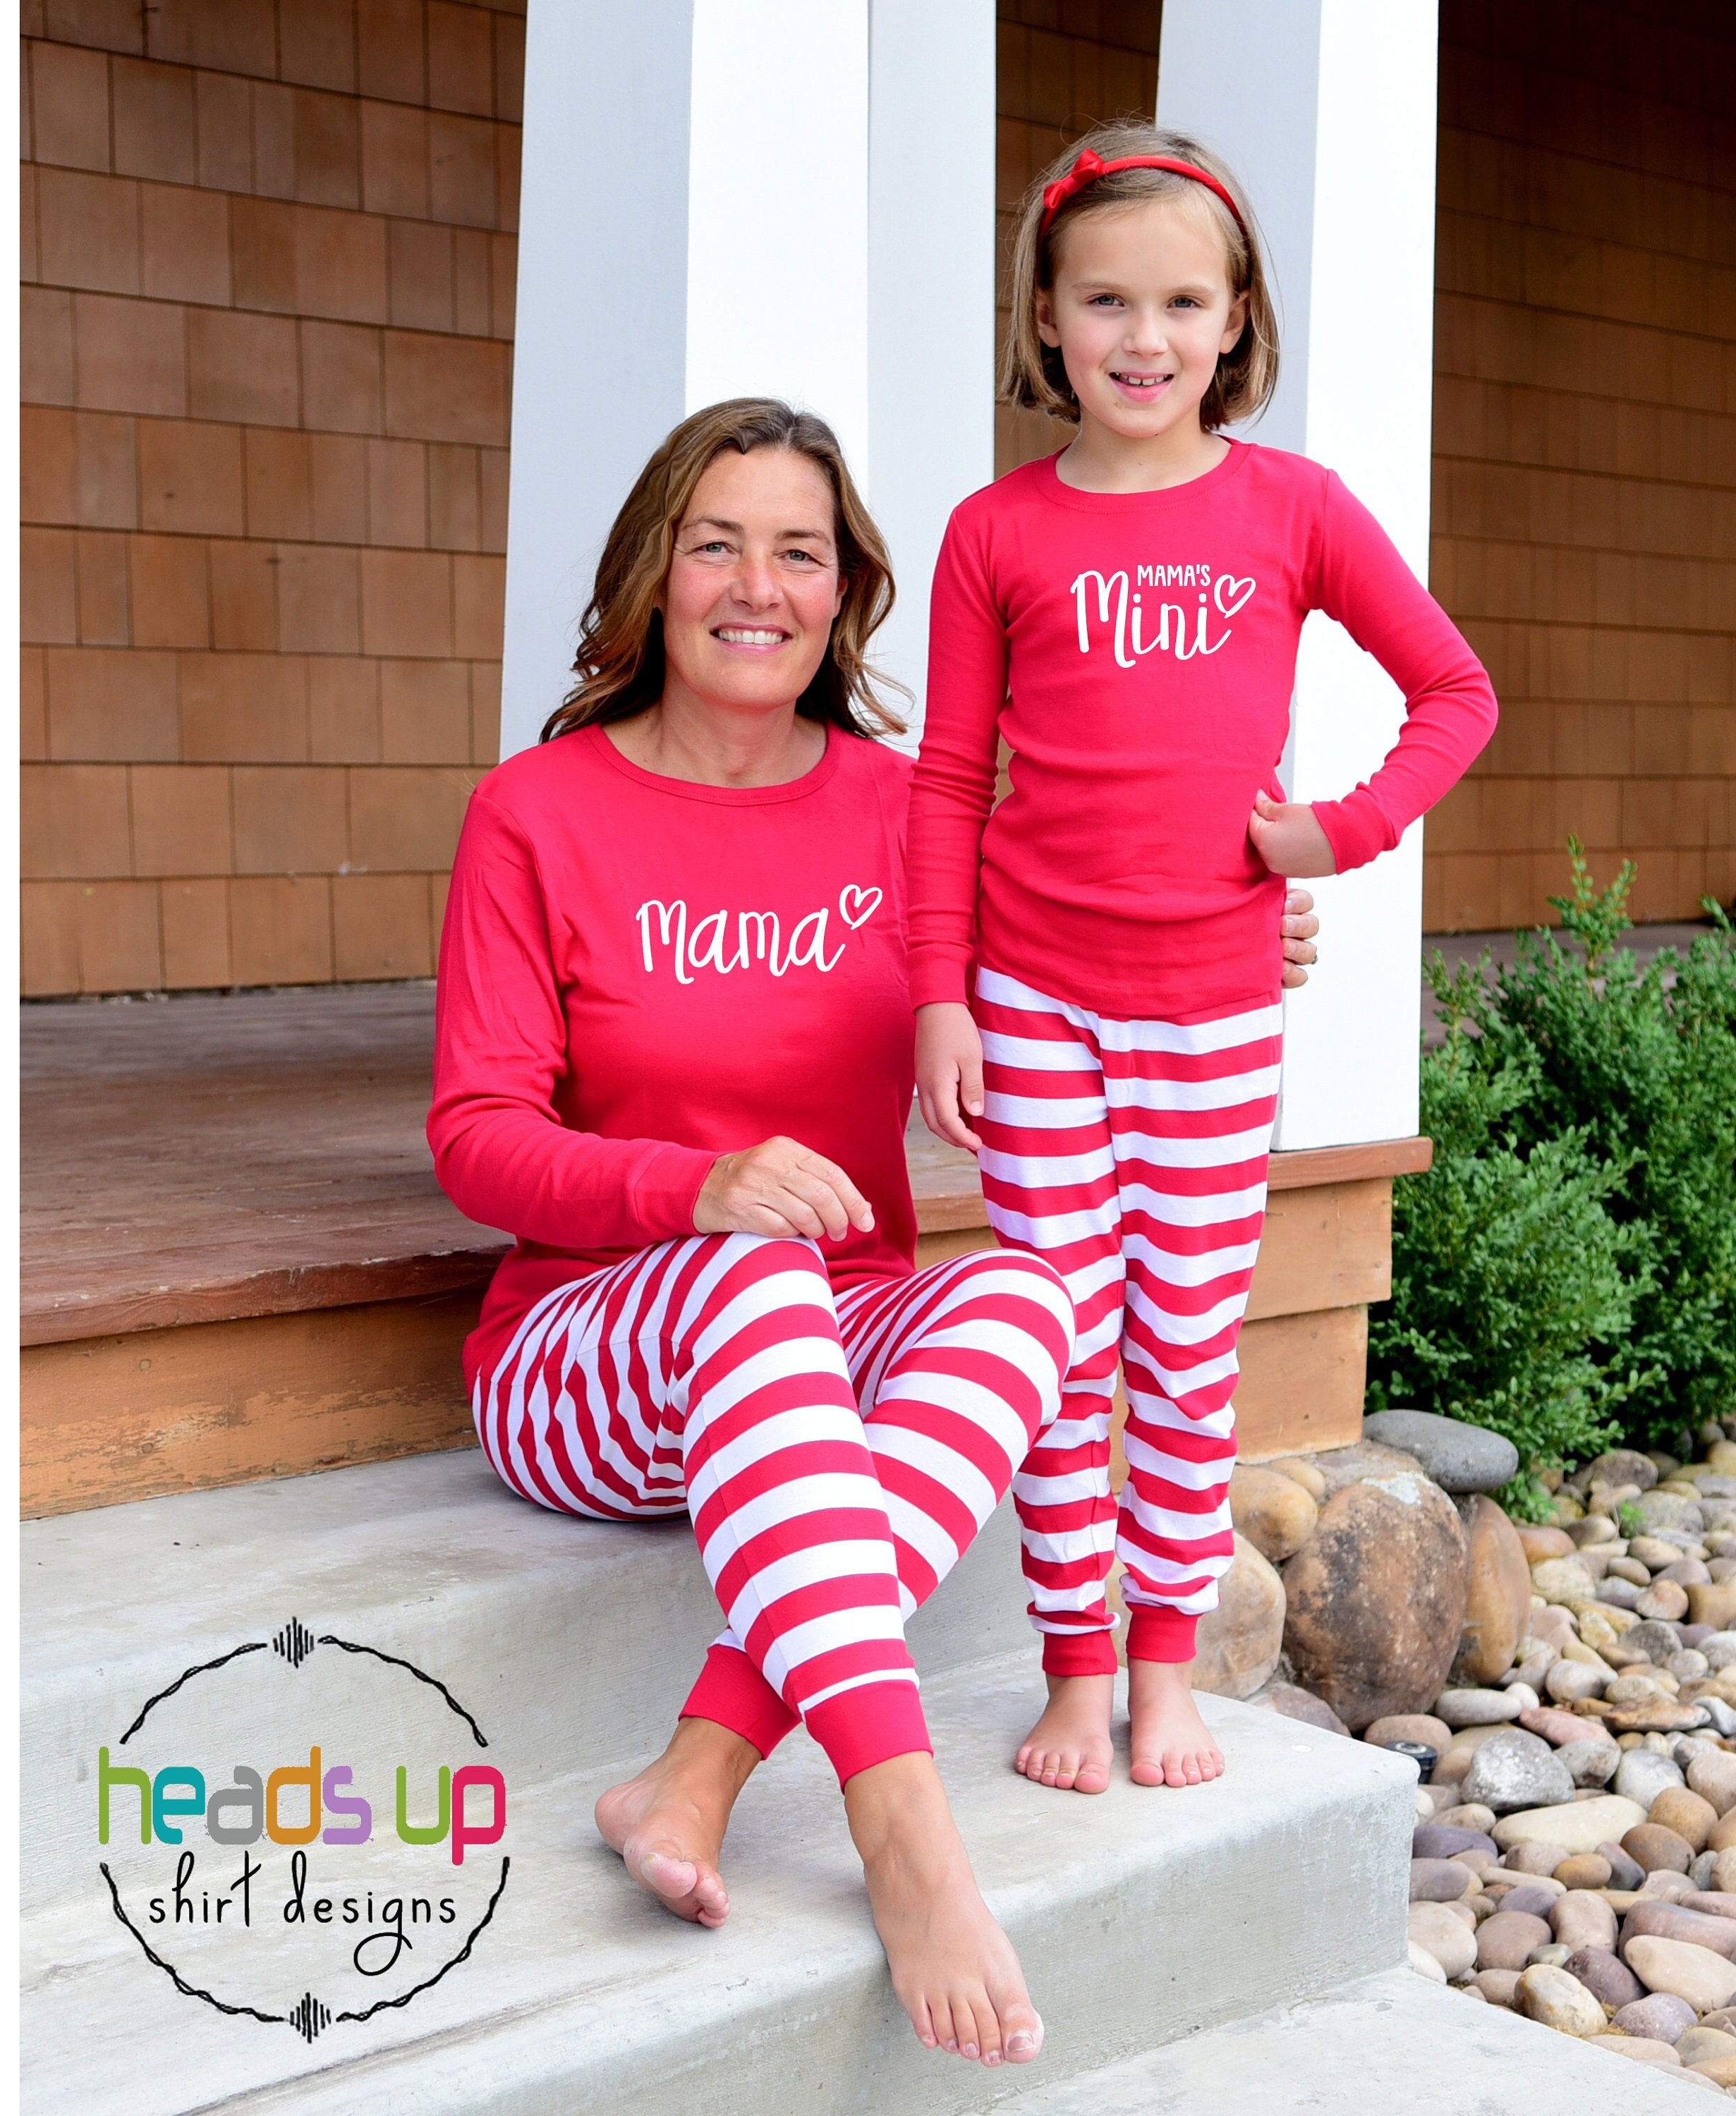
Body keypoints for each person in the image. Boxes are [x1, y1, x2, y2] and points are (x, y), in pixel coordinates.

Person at [430, 397, 1321, 2069]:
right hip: (586, 1348)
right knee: (760, 1272)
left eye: (800, 551)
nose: (755, 585)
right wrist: (687, 1189)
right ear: (650, 574)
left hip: (820, 1354)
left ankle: (696, 1769)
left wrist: (1234, 925)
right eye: (716, 542)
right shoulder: (536, 813)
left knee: (1027, 1297)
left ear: (844, 596)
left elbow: (1091, 920)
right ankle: (904, 1833)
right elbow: (476, 1139)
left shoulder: (912, 810)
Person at [908, 124, 1498, 1801]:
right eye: (1104, 300)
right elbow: (951, 778)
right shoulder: (994, 531)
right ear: (1045, 316)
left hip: (1215, 1009)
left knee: (1181, 1347)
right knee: (1052, 1340)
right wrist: (940, 993)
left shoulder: (1292, 509)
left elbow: (1455, 694)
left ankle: (1165, 1666)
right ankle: (1073, 1676)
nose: (1142, 339)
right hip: (1029, 1000)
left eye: (1181, 301)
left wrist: (1337, 832)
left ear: (1237, 319)